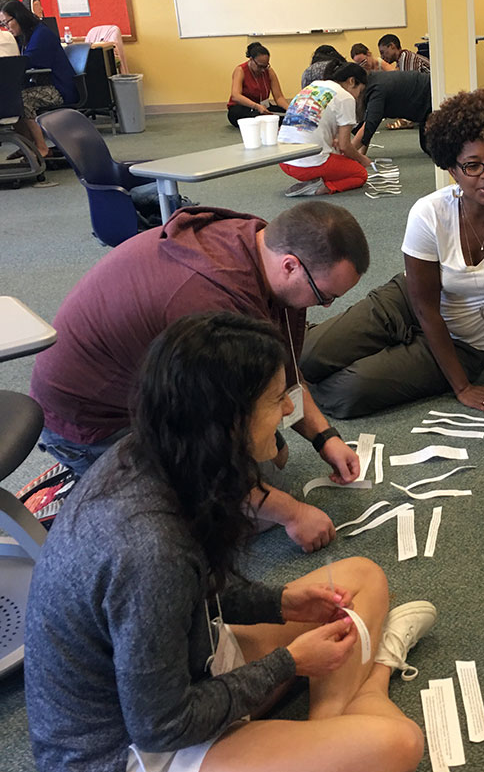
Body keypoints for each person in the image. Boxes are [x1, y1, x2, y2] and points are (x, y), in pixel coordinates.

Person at [25, 311, 436, 772]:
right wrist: (291, 663)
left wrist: (279, 601)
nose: (289, 409)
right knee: (399, 746)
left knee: (361, 576)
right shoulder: (146, 548)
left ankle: (317, 760)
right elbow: (161, 724)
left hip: (183, 666)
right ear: (228, 417)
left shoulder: (157, 455)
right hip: (132, 768)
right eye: (275, 399)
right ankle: (369, 688)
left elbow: (194, 589)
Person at [30, 202, 369, 552]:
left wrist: (323, 436)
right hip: (89, 422)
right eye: (326, 297)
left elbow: (282, 371)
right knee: (240, 518)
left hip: (147, 386)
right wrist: (293, 514)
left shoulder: (263, 244)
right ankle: (87, 491)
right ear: (290, 266)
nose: (325, 307)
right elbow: (206, 452)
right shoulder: (210, 303)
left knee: (270, 458)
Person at [300, 89, 484, 418]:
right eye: (473, 166)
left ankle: (356, 360)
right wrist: (461, 390)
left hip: (466, 343)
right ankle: (326, 344)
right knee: (303, 356)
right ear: (453, 169)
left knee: (346, 393)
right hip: (408, 302)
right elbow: (424, 307)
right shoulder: (429, 212)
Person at [278, 59, 372, 197]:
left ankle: (313, 180)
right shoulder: (346, 97)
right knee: (360, 174)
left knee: (336, 155)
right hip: (306, 165)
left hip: (282, 160)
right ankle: (319, 188)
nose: (358, 96)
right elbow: (345, 146)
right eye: (360, 90)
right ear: (352, 81)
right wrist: (361, 159)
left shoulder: (314, 86)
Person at [0, 0, 76, 159]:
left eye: (7, 23)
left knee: (22, 99)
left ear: (18, 17)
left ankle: (42, 148)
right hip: (44, 84)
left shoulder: (41, 34)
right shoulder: (27, 36)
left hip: (59, 88)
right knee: (12, 98)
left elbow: (27, 62)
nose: (6, 28)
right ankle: (28, 145)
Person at [352, 69, 433, 155]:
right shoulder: (372, 82)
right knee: (427, 146)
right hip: (423, 101)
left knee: (432, 148)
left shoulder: (376, 91)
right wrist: (359, 155)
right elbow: (367, 126)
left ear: (352, 82)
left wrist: (346, 156)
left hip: (429, 100)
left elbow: (368, 127)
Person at [226, 42, 290, 127]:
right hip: (242, 108)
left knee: (285, 112)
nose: (263, 70)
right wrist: (256, 106)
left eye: (265, 66)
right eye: (260, 66)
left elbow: (278, 97)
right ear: (251, 59)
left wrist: (289, 109)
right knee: (259, 117)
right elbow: (236, 96)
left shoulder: (269, 71)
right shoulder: (240, 70)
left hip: (263, 106)